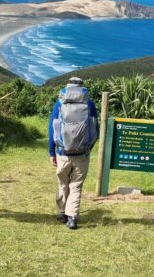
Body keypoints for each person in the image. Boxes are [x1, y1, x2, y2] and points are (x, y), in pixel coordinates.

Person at [48, 77, 98, 229]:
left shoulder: (60, 103)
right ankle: (72, 217)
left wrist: (52, 152)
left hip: (62, 153)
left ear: (68, 87)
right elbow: (95, 130)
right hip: (82, 154)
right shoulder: (89, 104)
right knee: (76, 185)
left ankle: (61, 212)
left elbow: (52, 130)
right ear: (81, 87)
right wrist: (88, 148)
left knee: (63, 183)